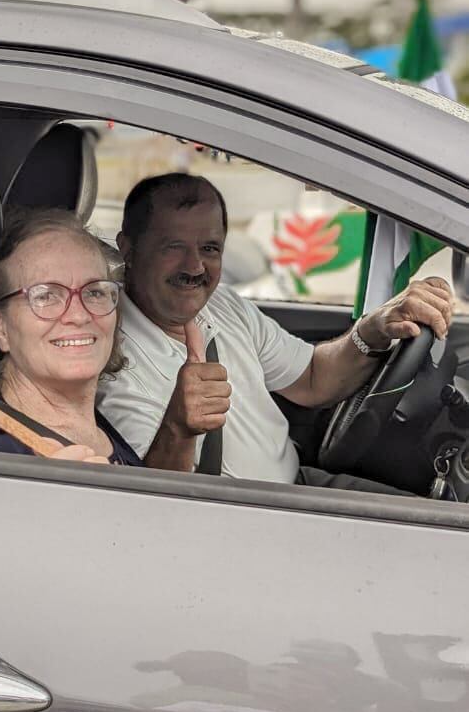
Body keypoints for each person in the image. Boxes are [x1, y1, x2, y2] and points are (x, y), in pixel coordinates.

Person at [98, 173, 454, 489]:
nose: (195, 266)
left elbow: (313, 377)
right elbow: (154, 505)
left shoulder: (221, 304)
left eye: (209, 248)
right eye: (173, 247)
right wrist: (178, 427)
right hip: (251, 522)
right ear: (129, 248)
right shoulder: (111, 359)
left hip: (299, 483)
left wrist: (373, 330)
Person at [0, 209, 140, 465]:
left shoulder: (94, 428)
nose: (78, 315)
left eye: (94, 292)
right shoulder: (0, 458)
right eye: (45, 295)